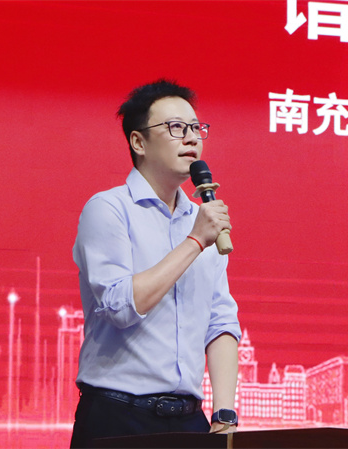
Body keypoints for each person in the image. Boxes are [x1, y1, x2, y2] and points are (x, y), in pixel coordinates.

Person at [69, 79, 241, 447]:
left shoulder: (204, 218)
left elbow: (221, 321)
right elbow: (120, 306)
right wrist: (195, 241)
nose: (191, 138)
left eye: (196, 128)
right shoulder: (109, 209)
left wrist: (224, 415)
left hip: (190, 421)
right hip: (117, 417)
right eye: (176, 127)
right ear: (138, 142)